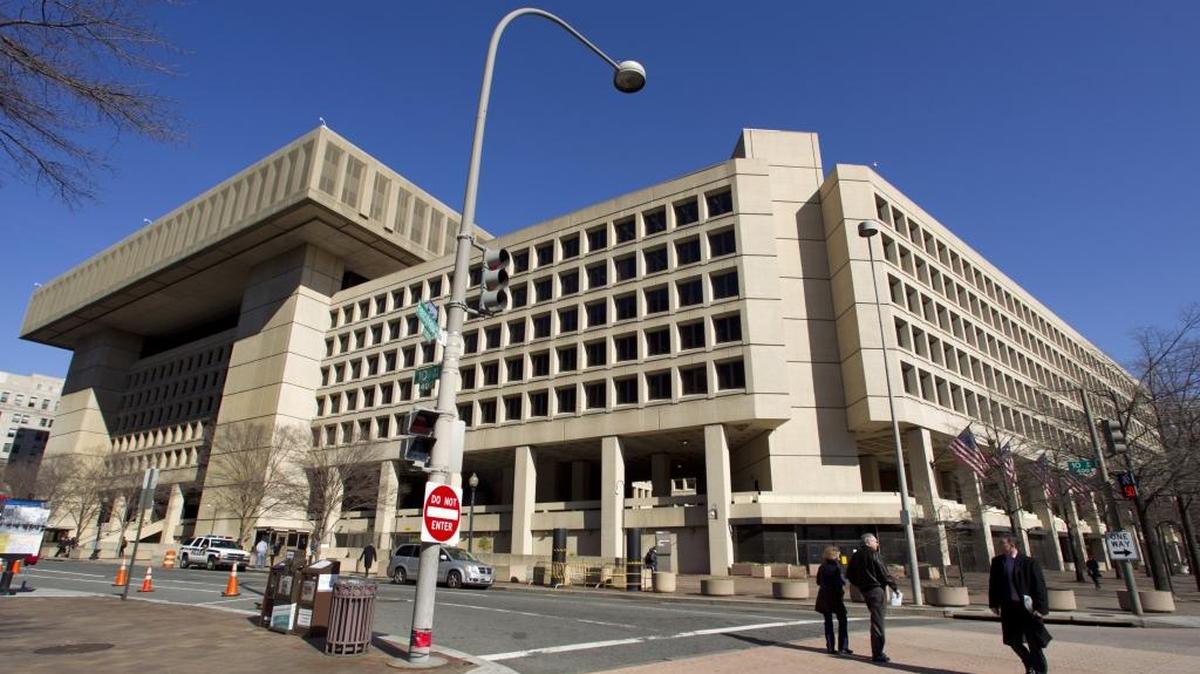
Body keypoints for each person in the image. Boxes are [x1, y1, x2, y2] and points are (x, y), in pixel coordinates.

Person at [989, 535, 1052, 674]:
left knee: (1033, 643)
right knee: (1013, 640)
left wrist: (1040, 608)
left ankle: (1039, 671)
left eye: (1003, 543)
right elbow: (993, 584)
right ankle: (1029, 663)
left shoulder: (1029, 562)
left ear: (1012, 545)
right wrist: (993, 603)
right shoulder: (998, 562)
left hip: (1027, 608)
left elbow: (1039, 586)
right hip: (1009, 607)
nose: (1000, 545)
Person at [846, 533, 898, 663]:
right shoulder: (874, 555)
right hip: (876, 589)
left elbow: (849, 575)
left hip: (866, 591)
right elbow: (884, 573)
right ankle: (878, 653)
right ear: (868, 542)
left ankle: (878, 651)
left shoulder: (855, 556)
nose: (877, 544)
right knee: (878, 621)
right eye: (875, 541)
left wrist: (860, 585)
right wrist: (895, 588)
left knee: (876, 619)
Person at [815, 546, 852, 656]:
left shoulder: (822, 567)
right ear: (835, 555)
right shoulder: (837, 567)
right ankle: (843, 647)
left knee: (828, 622)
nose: (839, 557)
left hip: (824, 596)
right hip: (835, 596)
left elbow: (818, 581)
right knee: (842, 620)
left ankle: (830, 647)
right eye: (838, 555)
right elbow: (841, 581)